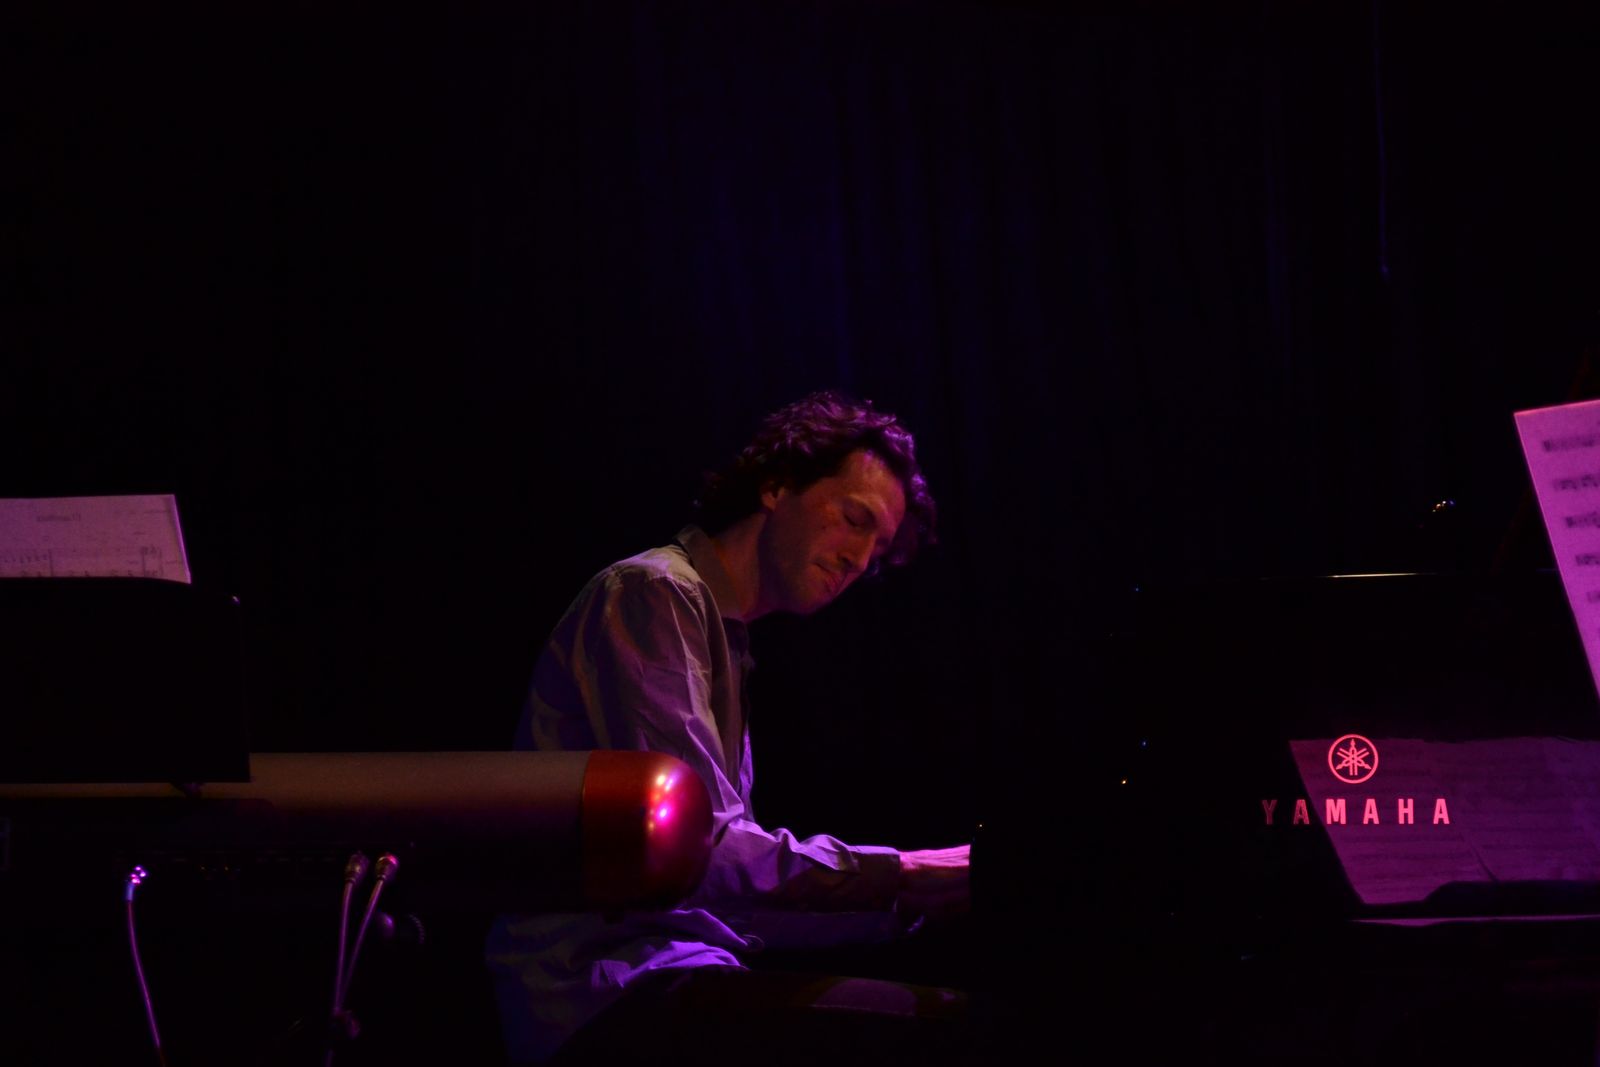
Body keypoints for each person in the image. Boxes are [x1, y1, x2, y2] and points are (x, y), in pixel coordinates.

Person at [488, 391, 971, 1064]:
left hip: (673, 976)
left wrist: (917, 904)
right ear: (777, 486)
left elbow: (735, 901)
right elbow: (700, 854)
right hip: (606, 992)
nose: (860, 559)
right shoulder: (655, 593)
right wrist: (908, 871)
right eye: (854, 519)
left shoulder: (724, 642)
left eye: (878, 549)